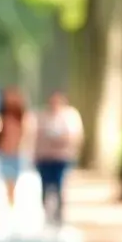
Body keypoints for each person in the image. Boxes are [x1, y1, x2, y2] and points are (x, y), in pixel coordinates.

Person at [33, 91, 83, 227]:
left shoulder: (70, 116)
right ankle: (46, 213)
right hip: (44, 158)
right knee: (45, 185)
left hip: (62, 157)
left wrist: (61, 141)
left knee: (60, 185)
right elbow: (37, 136)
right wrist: (35, 154)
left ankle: (59, 214)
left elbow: (75, 136)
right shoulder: (42, 115)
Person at [0, 86, 29, 210]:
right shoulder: (5, 116)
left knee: (11, 180)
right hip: (7, 152)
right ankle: (10, 201)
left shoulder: (20, 117)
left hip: (13, 152)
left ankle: (11, 201)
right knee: (8, 179)